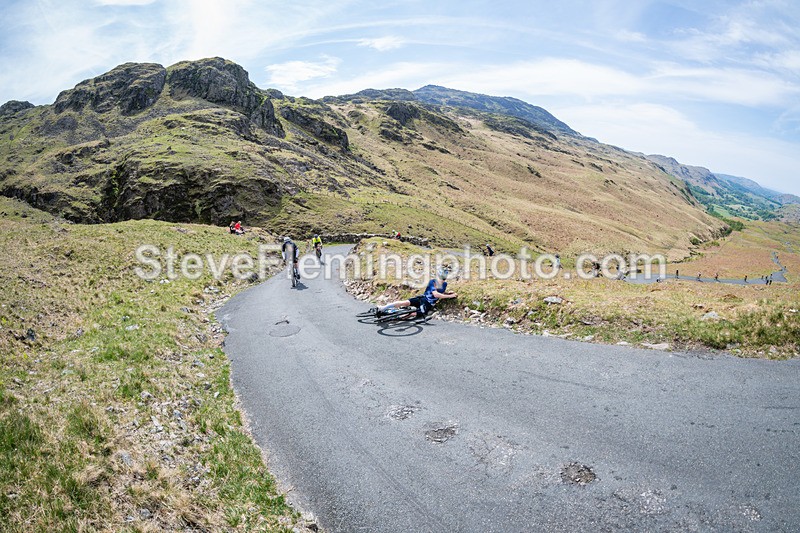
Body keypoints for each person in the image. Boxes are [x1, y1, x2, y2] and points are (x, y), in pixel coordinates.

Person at [373, 267, 457, 318]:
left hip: (428, 303)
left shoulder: (445, 284)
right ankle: (383, 308)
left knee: (412, 313)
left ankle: (398, 316)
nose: (441, 280)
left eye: (443, 279)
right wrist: (449, 296)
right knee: (405, 303)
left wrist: (448, 293)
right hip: (424, 299)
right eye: (440, 278)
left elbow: (441, 293)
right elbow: (436, 294)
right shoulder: (433, 282)